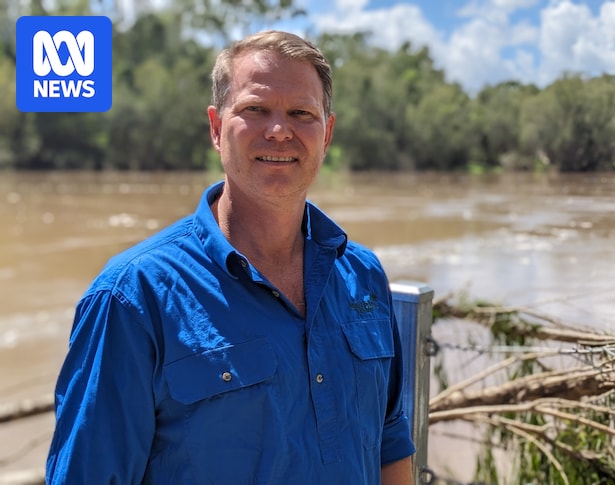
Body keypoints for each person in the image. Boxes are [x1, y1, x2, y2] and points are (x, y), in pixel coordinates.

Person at [45, 30, 415, 484]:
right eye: (255, 110)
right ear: (217, 128)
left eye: (301, 113)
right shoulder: (131, 298)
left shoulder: (363, 276)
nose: (279, 131)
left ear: (328, 133)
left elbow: (389, 441)